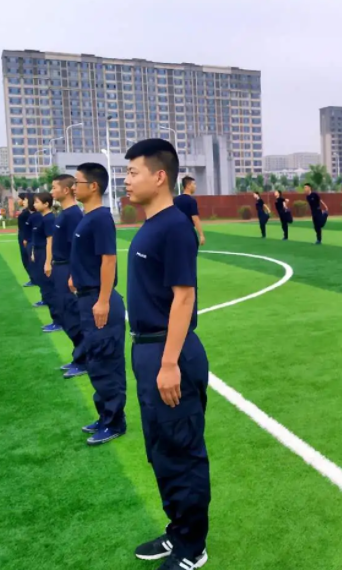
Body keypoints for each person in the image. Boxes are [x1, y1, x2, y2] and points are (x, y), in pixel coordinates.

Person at [124, 140, 210, 570]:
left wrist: (170, 362)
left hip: (167, 351)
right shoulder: (151, 225)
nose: (126, 180)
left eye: (133, 172)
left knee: (181, 450)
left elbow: (184, 297)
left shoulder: (174, 226)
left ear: (159, 176)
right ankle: (177, 531)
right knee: (161, 450)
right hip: (148, 349)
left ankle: (193, 547)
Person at [68, 162, 127, 434]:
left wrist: (103, 300)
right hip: (86, 297)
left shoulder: (101, 218)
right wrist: (75, 277)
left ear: (93, 186)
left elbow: (108, 259)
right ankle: (104, 416)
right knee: (95, 361)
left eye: (77, 182)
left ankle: (114, 422)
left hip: (98, 299)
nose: (73, 187)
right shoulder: (87, 217)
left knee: (106, 363)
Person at [49, 174, 88, 376]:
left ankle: (83, 361)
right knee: (63, 313)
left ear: (66, 190)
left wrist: (73, 274)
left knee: (72, 315)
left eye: (54, 187)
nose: (51, 191)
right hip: (59, 268)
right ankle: (78, 356)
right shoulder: (63, 213)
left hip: (67, 269)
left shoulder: (73, 215)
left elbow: (77, 248)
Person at [31, 193, 57, 318]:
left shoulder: (49, 219)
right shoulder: (43, 218)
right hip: (39, 252)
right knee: (42, 281)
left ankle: (57, 319)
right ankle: (46, 301)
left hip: (44, 253)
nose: (34, 204)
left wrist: (47, 261)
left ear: (46, 204)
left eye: (37, 202)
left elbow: (50, 240)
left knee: (48, 285)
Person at [174, 176, 206, 247]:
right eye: (194, 184)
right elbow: (195, 219)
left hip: (176, 232)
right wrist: (201, 235)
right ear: (188, 186)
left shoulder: (175, 200)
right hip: (187, 232)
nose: (195, 186)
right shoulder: (191, 200)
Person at [17, 193, 34, 287]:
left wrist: (25, 238)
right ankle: (32, 278)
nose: (21, 201)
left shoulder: (29, 213)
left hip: (26, 237)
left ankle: (34, 278)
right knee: (25, 258)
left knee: (28, 258)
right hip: (22, 235)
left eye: (23, 200)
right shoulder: (25, 211)